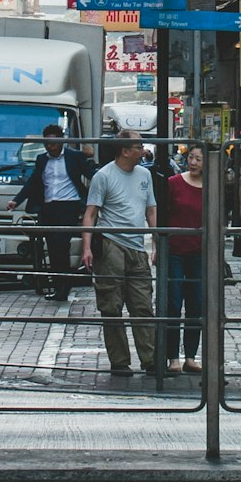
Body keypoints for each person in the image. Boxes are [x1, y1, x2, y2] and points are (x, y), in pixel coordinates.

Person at [80, 137, 158, 377]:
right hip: (112, 244)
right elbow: (91, 213)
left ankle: (151, 359)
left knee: (143, 305)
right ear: (125, 151)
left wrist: (156, 241)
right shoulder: (103, 176)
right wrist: (87, 247)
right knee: (112, 307)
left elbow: (150, 209)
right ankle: (120, 361)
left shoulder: (145, 175)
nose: (142, 151)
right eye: (137, 147)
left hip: (136, 246)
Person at [14, 122, 95, 301]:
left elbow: (91, 174)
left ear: (62, 141)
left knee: (61, 246)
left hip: (69, 206)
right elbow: (33, 181)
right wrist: (16, 200)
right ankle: (58, 286)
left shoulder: (74, 157)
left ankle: (63, 288)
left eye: (54, 143)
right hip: (48, 207)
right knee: (52, 248)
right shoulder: (42, 159)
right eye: (47, 143)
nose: (50, 146)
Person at [161, 142, 206, 373]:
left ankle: (190, 356)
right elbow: (163, 216)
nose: (194, 162)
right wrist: (157, 248)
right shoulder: (173, 183)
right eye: (192, 158)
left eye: (199, 159)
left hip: (200, 252)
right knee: (173, 304)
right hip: (175, 251)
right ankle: (172, 358)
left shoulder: (211, 187)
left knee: (196, 305)